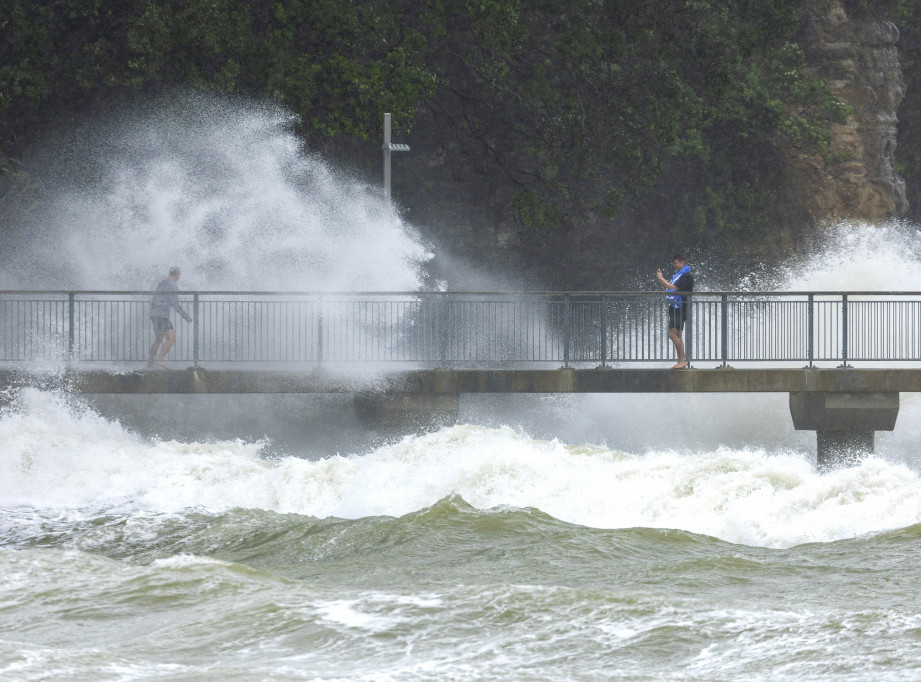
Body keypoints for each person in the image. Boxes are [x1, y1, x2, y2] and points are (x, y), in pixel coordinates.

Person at [148, 266, 192, 368]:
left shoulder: (162, 283)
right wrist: (186, 317)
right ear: (177, 276)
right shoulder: (173, 286)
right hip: (163, 316)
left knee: (158, 339)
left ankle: (149, 363)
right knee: (171, 339)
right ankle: (159, 360)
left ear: (169, 273)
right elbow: (175, 304)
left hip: (154, 314)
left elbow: (155, 298)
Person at [656, 253, 694, 369]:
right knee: (677, 334)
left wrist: (661, 278)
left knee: (672, 334)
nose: (674, 265)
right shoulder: (678, 275)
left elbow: (675, 288)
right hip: (675, 307)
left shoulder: (686, 276)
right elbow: (667, 288)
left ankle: (683, 359)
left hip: (680, 308)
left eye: (676, 263)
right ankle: (681, 360)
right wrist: (661, 280)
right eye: (674, 263)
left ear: (683, 263)